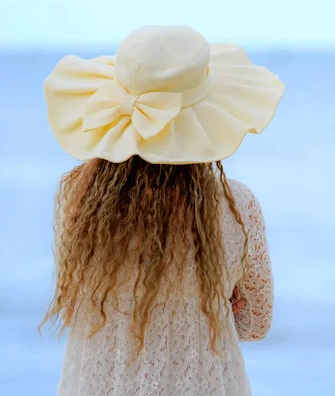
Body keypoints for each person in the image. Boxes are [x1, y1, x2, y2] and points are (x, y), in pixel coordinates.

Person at [39, 25, 284, 396]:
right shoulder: (237, 206)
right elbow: (255, 323)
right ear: (206, 120)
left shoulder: (79, 197)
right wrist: (211, 306)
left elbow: (76, 310)